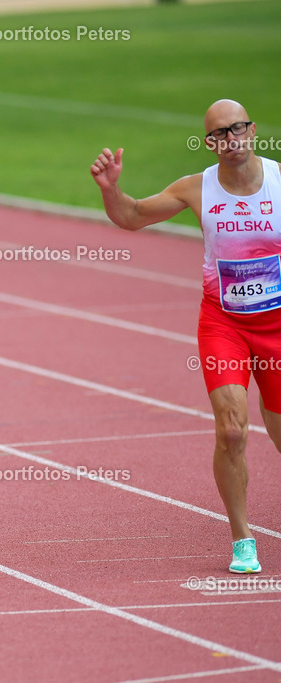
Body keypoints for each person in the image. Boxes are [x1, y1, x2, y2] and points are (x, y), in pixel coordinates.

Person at [90, 99, 281, 574]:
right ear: (209, 142)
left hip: (277, 326)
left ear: (252, 130)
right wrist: (112, 190)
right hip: (224, 324)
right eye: (219, 133)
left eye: (237, 128)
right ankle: (242, 538)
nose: (230, 139)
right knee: (231, 429)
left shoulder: (279, 181)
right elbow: (132, 216)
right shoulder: (198, 188)